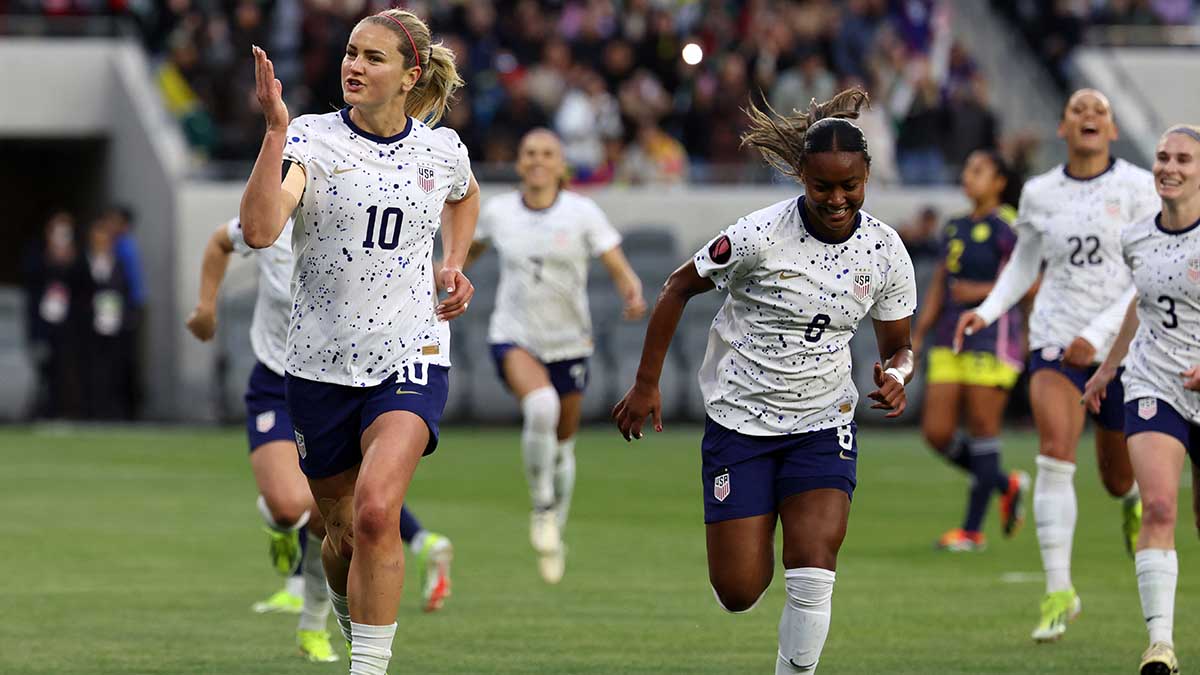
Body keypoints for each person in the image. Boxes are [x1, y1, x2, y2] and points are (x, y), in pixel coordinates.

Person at [613, 89, 917, 674]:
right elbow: (678, 287)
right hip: (740, 423)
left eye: (849, 186)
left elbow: (899, 348)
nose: (836, 199)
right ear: (801, 175)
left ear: (867, 176)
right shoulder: (758, 235)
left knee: (813, 564)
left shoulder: (884, 251)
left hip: (823, 423)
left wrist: (898, 375)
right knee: (738, 590)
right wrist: (646, 383)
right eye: (822, 186)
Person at [239, 8, 478, 674]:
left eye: (373, 58)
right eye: (350, 52)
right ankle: (351, 621)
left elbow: (465, 195)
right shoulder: (311, 141)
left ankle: (367, 668)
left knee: (378, 510)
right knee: (340, 530)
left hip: (412, 354)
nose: (354, 65)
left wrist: (453, 261)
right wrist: (274, 131)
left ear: (409, 77)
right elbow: (260, 229)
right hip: (318, 365)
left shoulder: (439, 149)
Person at [185, 216, 457, 661]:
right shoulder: (267, 225)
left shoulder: (353, 219)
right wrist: (206, 306)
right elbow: (219, 242)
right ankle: (277, 521)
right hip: (280, 381)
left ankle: (314, 624)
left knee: (337, 522)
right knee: (292, 507)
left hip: (350, 383)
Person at [955, 88, 1160, 642]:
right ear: (1062, 129)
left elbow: (1149, 275)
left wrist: (1097, 338)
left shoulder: (1140, 187)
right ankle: (1058, 591)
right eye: (1078, 110)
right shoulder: (1041, 193)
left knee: (1117, 476)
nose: (1089, 115)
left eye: (1100, 111)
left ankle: (1132, 500)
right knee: (1054, 455)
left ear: (1112, 130)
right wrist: (987, 309)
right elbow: (1025, 263)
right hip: (1052, 340)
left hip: (1121, 347)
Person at [466, 127, 646, 583]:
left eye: (547, 153)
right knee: (541, 406)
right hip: (514, 335)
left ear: (561, 163)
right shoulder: (500, 212)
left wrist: (631, 291)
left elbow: (618, 265)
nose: (538, 160)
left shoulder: (583, 212)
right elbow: (465, 253)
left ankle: (555, 527)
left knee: (564, 444)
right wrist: (438, 278)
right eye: (530, 153)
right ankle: (541, 503)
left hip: (570, 342)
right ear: (520, 162)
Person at [1082, 124, 1200, 675]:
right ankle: (1160, 646)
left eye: (1183, 159)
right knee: (1157, 505)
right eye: (1162, 157)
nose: (1169, 167)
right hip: (1156, 382)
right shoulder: (1136, 236)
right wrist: (1111, 365)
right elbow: (1143, 301)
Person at [910, 150, 1030, 552]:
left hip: (994, 336)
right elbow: (942, 283)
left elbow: (1030, 282)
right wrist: (919, 331)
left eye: (978, 170)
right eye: (966, 168)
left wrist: (980, 294)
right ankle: (1005, 483)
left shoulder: (1010, 225)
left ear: (999, 181)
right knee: (937, 432)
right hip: (949, 335)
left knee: (982, 428)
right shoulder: (954, 227)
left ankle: (971, 532)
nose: (968, 176)